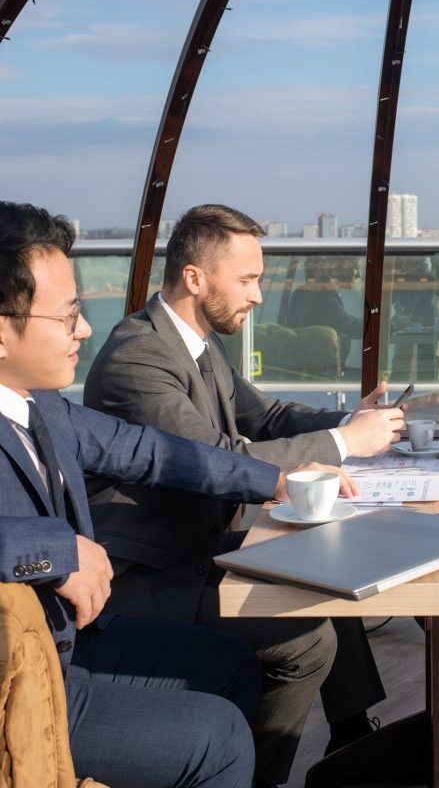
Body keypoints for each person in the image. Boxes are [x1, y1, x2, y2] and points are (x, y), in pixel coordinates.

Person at [0, 200, 354, 788]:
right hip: (21, 682)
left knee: (234, 667)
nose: (85, 330)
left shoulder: (45, 408)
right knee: (215, 738)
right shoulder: (136, 352)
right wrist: (57, 548)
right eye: (67, 316)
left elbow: (155, 451)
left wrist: (279, 481)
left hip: (70, 642)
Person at [83, 204, 404, 784]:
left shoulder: (198, 344)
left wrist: (354, 422)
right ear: (195, 278)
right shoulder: (138, 356)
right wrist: (342, 442)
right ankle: (255, 773)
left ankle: (352, 741)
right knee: (307, 644)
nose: (258, 296)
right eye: (248, 280)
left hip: (198, 547)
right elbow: (212, 458)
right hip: (148, 576)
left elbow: (270, 415)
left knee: (330, 566)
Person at [285, 254, 362, 366]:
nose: (358, 274)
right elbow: (346, 324)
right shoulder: (323, 295)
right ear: (346, 269)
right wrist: (380, 328)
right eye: (356, 268)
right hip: (317, 369)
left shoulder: (307, 291)